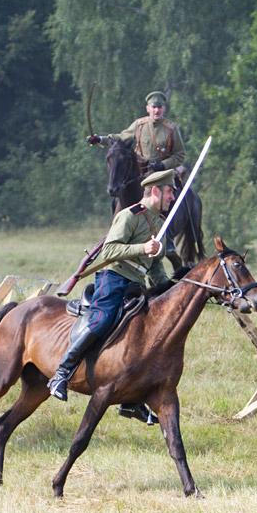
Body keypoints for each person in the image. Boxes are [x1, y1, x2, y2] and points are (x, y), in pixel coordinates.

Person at [47, 169, 177, 425]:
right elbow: (109, 251)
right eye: (169, 192)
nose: (172, 197)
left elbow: (154, 266)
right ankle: (61, 373)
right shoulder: (129, 216)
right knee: (103, 320)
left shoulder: (160, 223)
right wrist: (143, 247)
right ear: (155, 191)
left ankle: (131, 401)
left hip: (137, 284)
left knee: (143, 334)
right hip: (114, 278)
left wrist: (169, 289)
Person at [87, 91, 187, 177]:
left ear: (164, 109)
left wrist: (163, 164)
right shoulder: (139, 125)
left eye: (159, 107)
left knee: (167, 192)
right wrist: (100, 139)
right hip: (140, 174)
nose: (157, 110)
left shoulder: (171, 129)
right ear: (148, 109)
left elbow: (180, 155)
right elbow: (121, 139)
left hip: (162, 175)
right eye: (154, 107)